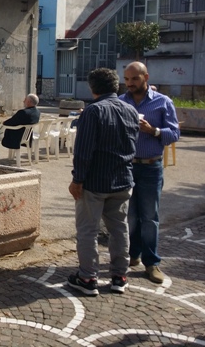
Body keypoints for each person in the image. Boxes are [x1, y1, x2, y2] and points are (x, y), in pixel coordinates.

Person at [67, 68, 139, 296]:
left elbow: (83, 151)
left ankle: (88, 277)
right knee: (119, 229)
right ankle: (119, 275)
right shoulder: (130, 110)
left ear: (92, 88)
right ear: (116, 86)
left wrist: (77, 179)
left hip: (95, 183)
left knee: (88, 230)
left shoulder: (93, 111)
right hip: (122, 180)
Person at [120, 61, 180, 284]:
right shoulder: (121, 102)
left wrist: (153, 130)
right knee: (131, 216)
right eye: (127, 79)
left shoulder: (163, 102)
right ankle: (133, 254)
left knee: (149, 217)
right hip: (127, 166)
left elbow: (174, 134)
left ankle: (151, 262)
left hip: (151, 166)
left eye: (134, 79)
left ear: (146, 77)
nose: (130, 84)